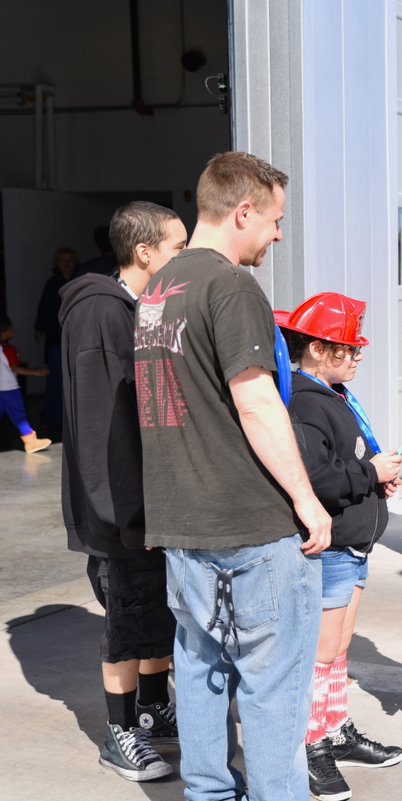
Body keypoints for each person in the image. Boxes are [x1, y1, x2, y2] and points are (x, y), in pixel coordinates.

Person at [134, 151, 333, 801]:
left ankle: (211, 793)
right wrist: (308, 499)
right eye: (275, 220)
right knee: (274, 681)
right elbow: (254, 399)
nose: (278, 233)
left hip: (184, 521)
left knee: (198, 667)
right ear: (243, 211)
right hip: (250, 522)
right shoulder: (231, 285)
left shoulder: (156, 292)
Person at [59, 201, 188, 781]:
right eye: (178, 247)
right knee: (124, 623)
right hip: (121, 514)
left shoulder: (136, 310)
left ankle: (155, 709)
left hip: (148, 507)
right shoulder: (100, 314)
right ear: (145, 252)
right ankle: (120, 732)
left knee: (154, 617)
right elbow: (99, 428)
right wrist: (126, 515)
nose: (184, 256)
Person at [277, 292, 402, 801]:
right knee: (320, 652)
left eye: (355, 349)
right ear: (315, 349)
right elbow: (315, 478)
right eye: (347, 349)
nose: (356, 357)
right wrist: (369, 473)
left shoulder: (331, 396)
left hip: (351, 547)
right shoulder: (308, 404)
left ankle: (334, 728)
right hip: (330, 550)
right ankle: (311, 745)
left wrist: (373, 480)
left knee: (339, 650)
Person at [34, 246, 78, 438]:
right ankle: (55, 421)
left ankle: (73, 421)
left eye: (70, 260)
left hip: (76, 341)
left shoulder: (80, 281)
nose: (66, 264)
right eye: (63, 260)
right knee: (56, 382)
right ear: (57, 264)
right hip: (56, 342)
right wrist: (39, 329)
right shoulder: (53, 283)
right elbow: (43, 310)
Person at [0, 317, 51, 452]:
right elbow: (15, 368)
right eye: (11, 328)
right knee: (19, 415)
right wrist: (36, 372)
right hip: (9, 389)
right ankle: (30, 442)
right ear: (4, 333)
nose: (13, 331)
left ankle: (30, 441)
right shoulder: (8, 350)